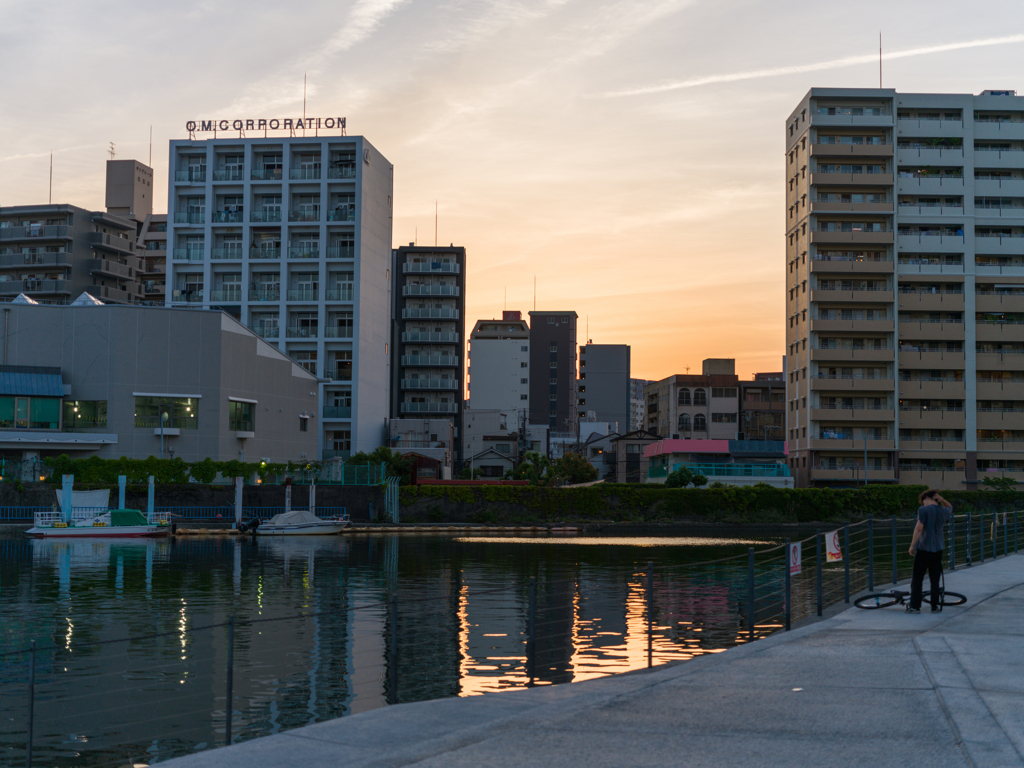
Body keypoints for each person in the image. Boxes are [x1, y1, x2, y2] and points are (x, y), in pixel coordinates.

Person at [908, 489, 953, 613]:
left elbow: (919, 529)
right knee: (935, 579)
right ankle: (934, 606)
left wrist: (912, 545)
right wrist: (942, 500)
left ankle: (915, 606)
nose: (923, 504)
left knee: (917, 579)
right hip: (938, 549)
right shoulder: (943, 511)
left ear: (927, 498)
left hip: (923, 549)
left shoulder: (923, 510)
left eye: (923, 502)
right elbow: (950, 507)